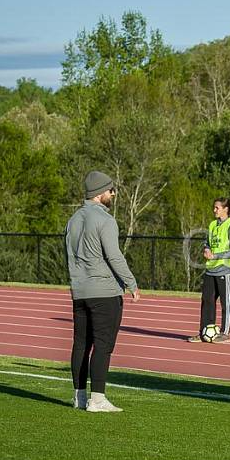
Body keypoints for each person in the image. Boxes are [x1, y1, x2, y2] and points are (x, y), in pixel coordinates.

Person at [64, 170, 140, 413]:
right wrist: (131, 283)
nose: (113, 194)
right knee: (103, 344)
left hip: (80, 290)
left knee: (80, 344)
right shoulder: (106, 220)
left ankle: (79, 397)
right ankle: (98, 399)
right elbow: (114, 256)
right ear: (99, 194)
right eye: (110, 190)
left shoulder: (73, 220)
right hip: (104, 292)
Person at [189, 198, 230, 343]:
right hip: (210, 269)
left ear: (226, 209)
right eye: (214, 207)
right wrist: (206, 249)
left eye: (217, 208)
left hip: (225, 270)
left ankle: (224, 333)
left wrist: (216, 255)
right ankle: (204, 331)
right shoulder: (212, 224)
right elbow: (207, 242)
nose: (214, 210)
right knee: (207, 301)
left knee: (226, 303)